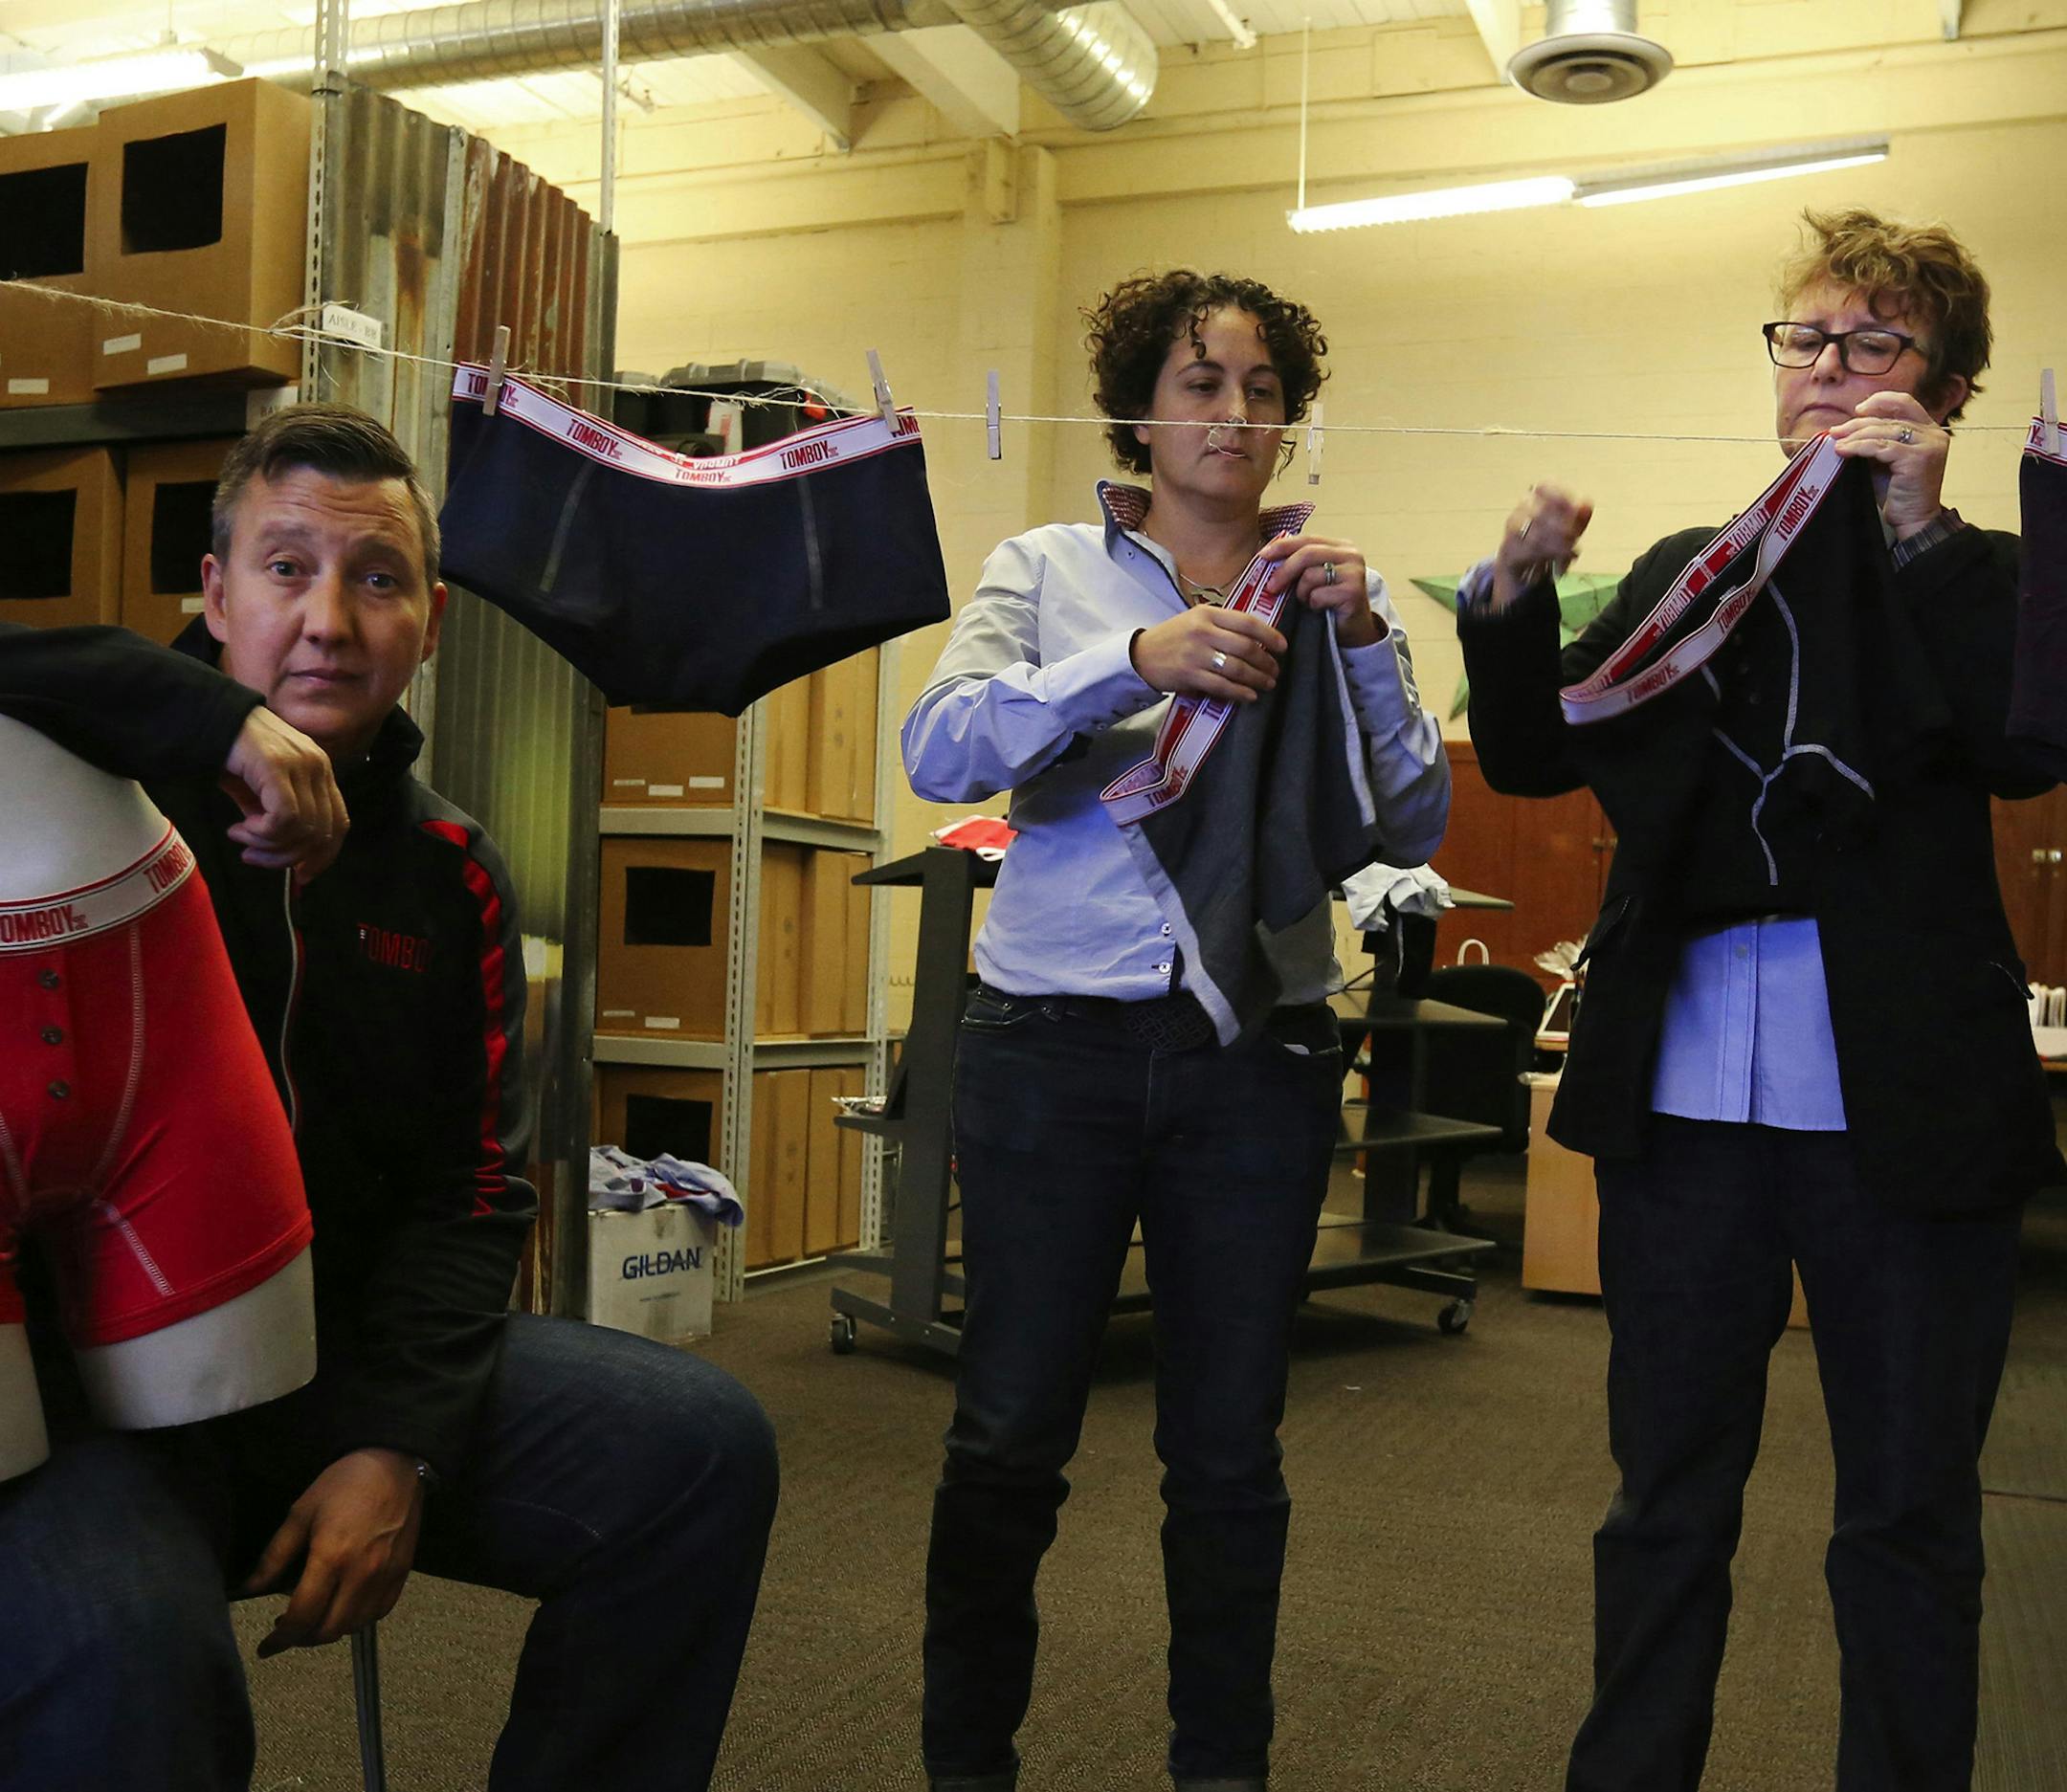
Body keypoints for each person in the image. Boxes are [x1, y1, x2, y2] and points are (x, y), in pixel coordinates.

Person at [0, 404, 779, 1792]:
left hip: (345, 1362)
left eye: (376, 580)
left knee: (701, 1455)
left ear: (430, 622)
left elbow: (473, 1192)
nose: (329, 621)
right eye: (285, 567)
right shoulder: (87, 788)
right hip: (100, 1411)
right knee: (128, 1658)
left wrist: (395, 1443)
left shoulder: (454, 868)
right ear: (211, 592)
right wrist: (211, 722)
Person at [1456, 209, 2056, 1791]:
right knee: (1664, 1499)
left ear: (1947, 388)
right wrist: (1514, 595)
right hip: (1688, 1113)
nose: (1828, 370)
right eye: (1806, 339)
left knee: (1911, 1517)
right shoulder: (1686, 573)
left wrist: (1920, 530)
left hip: (1907, 1117)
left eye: (1875, 344)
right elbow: (1527, 757)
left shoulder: (1988, 573)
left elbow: (2025, 743)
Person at [904, 269, 1450, 1792]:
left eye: (1265, 388)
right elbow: (939, 749)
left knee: (1227, 1455)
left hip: (1256, 1053)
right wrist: (1129, 663)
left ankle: (1224, 1770)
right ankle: (968, 1767)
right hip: (1046, 1050)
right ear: (1140, 407)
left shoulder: (1338, 587)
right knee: (1007, 1436)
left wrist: (1360, 648)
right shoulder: (1044, 565)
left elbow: (1413, 812)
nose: (1236, 414)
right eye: (1202, 384)